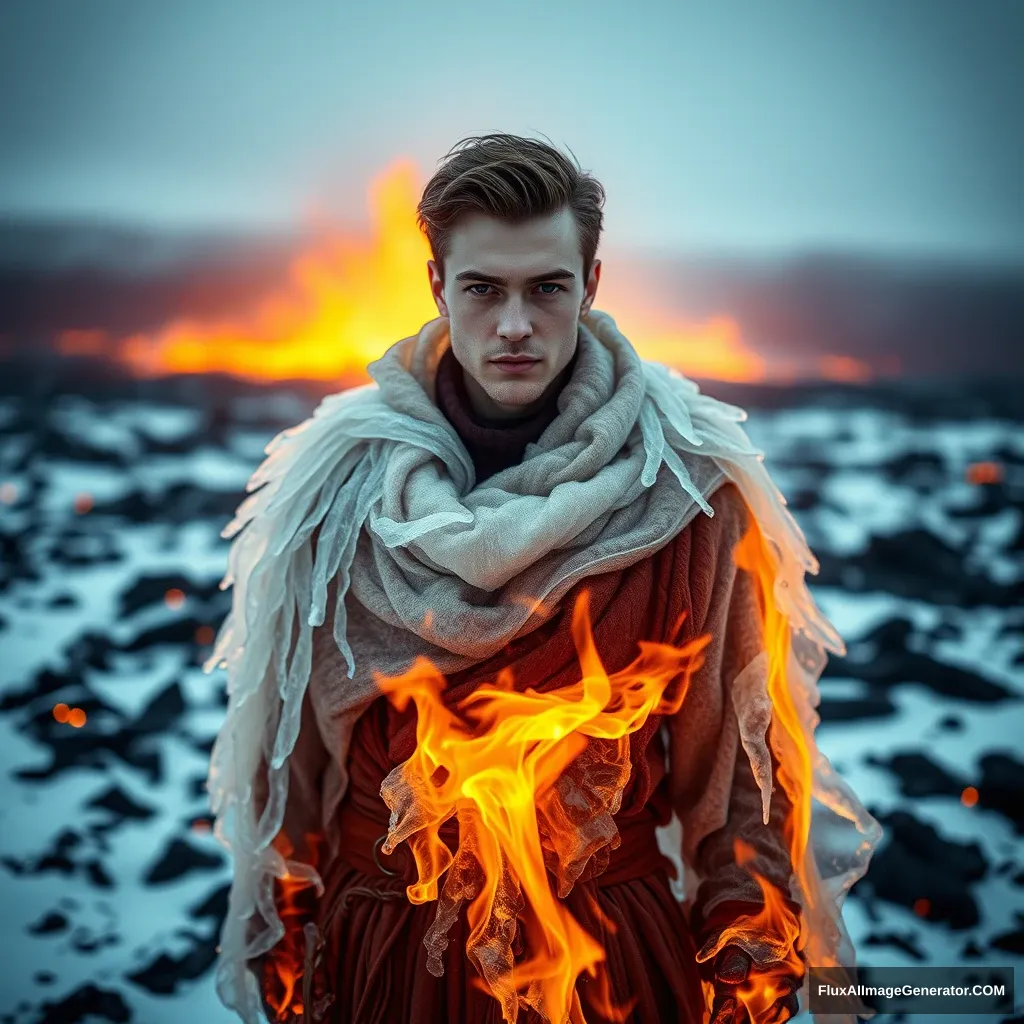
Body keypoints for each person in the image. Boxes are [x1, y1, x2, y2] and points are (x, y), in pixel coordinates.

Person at [204, 134, 880, 1024]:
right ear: (438, 286)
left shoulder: (685, 494)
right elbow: (288, 759)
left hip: (607, 963)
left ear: (590, 285)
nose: (514, 325)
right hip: (380, 959)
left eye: (546, 288)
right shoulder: (336, 492)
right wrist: (283, 942)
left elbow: (743, 771)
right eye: (483, 289)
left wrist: (749, 957)